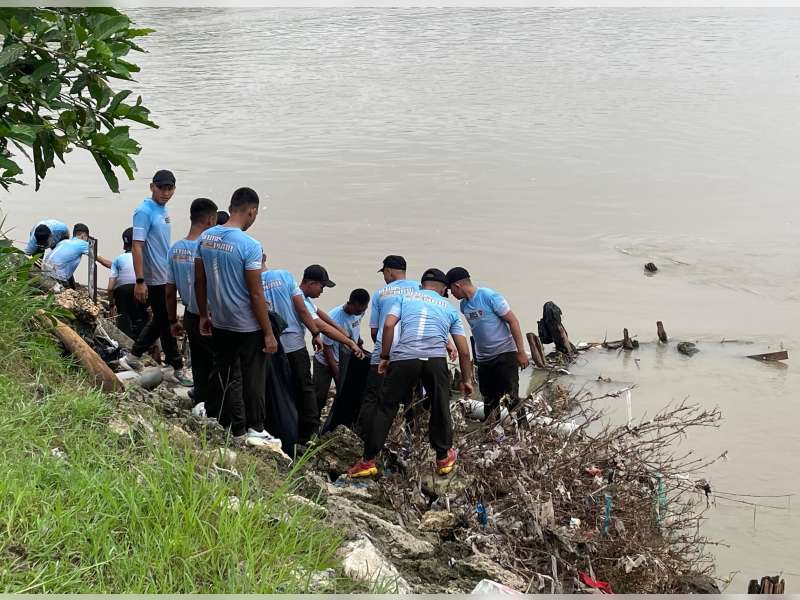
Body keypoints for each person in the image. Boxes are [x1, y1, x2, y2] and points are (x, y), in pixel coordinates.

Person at [347, 268, 474, 478]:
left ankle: (368, 460)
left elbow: (388, 325)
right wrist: (467, 379)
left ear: (422, 284)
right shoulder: (449, 308)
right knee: (439, 405)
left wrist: (385, 356)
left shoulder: (405, 298)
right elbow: (464, 351)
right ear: (443, 289)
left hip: (405, 357)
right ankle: (443, 458)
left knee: (386, 406)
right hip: (434, 359)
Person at [195, 187, 280, 447]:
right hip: (246, 324)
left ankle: (217, 416)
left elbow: (200, 281)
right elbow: (255, 293)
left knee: (223, 370)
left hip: (220, 319)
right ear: (251, 211)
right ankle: (254, 427)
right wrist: (268, 332)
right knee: (253, 376)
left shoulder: (206, 238)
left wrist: (202, 314)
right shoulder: (250, 245)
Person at [262, 261, 363, 448]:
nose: (322, 291)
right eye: (322, 286)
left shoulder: (274, 283)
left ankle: (283, 427)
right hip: (293, 348)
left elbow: (321, 313)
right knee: (305, 389)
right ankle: (308, 433)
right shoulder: (297, 294)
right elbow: (319, 325)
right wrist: (348, 342)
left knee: (283, 388)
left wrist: (342, 329)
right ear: (310, 283)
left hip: (273, 348)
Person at [125, 170, 189, 382]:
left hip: (165, 272)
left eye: (170, 188)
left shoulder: (163, 210)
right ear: (152, 187)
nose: (165, 192)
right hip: (153, 276)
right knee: (166, 320)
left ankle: (134, 355)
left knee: (162, 318)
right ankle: (176, 365)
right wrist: (140, 280)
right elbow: (137, 245)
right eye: (161, 188)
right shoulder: (144, 211)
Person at [446, 267, 530, 419]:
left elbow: (513, 321)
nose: (451, 294)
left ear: (457, 285)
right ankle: (493, 433)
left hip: (504, 354)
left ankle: (523, 431)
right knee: (489, 400)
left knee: (511, 398)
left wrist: (521, 352)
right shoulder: (464, 305)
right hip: (484, 359)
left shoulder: (489, 296)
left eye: (451, 289)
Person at [355, 255, 420, 439]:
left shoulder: (380, 293)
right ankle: (412, 434)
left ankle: (365, 435)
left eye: (384, 272)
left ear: (389, 271)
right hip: (411, 351)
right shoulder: (420, 289)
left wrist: (383, 352)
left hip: (384, 351)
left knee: (373, 395)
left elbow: (375, 332)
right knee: (410, 396)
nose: (384, 277)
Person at [166, 198, 218, 413]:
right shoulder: (209, 247)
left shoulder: (175, 249)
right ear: (210, 219)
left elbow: (169, 291)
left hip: (190, 314)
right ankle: (217, 407)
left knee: (198, 362)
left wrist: (172, 320)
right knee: (218, 363)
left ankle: (200, 403)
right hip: (212, 316)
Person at [313, 288, 369, 412]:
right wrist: (337, 372)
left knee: (345, 393)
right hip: (325, 362)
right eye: (358, 310)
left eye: (363, 310)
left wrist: (359, 341)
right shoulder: (335, 318)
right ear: (350, 304)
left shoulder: (359, 311)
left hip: (344, 358)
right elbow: (326, 347)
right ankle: (311, 425)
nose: (360, 313)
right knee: (319, 397)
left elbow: (355, 326)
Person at [107, 227, 148, 340]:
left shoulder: (118, 259)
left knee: (123, 315)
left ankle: (126, 340)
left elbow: (110, 288)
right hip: (143, 291)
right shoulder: (146, 258)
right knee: (143, 316)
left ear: (125, 244)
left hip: (123, 292)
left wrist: (111, 304)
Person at [42, 223, 111, 288]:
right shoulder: (83, 243)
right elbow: (103, 261)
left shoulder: (63, 242)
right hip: (57, 278)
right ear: (83, 236)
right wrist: (117, 266)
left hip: (44, 274)